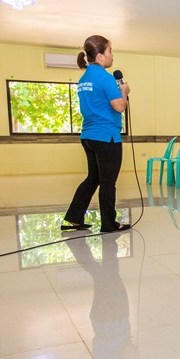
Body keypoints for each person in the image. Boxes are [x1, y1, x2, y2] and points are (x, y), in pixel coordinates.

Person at [62, 34, 131, 233]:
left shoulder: (85, 78)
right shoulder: (105, 78)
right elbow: (119, 106)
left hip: (89, 136)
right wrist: (124, 91)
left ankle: (74, 217)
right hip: (106, 136)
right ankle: (109, 223)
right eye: (109, 51)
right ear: (100, 56)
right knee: (108, 182)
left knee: (93, 178)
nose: (112, 56)